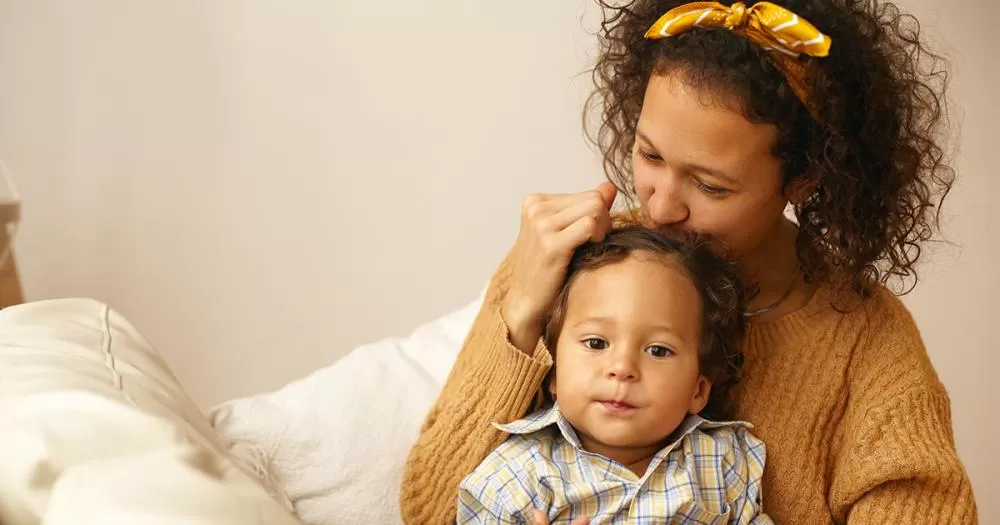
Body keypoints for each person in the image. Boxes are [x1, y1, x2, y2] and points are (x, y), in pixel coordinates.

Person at [401, 0, 978, 523]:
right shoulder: (568, 261)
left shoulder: (866, 341)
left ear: (804, 180)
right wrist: (523, 312)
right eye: (649, 155)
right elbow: (430, 510)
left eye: (709, 185)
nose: (660, 207)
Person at [456, 227, 774, 523]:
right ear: (553, 370)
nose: (622, 368)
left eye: (658, 350)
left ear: (698, 390)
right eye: (596, 343)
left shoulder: (722, 460)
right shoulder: (517, 478)